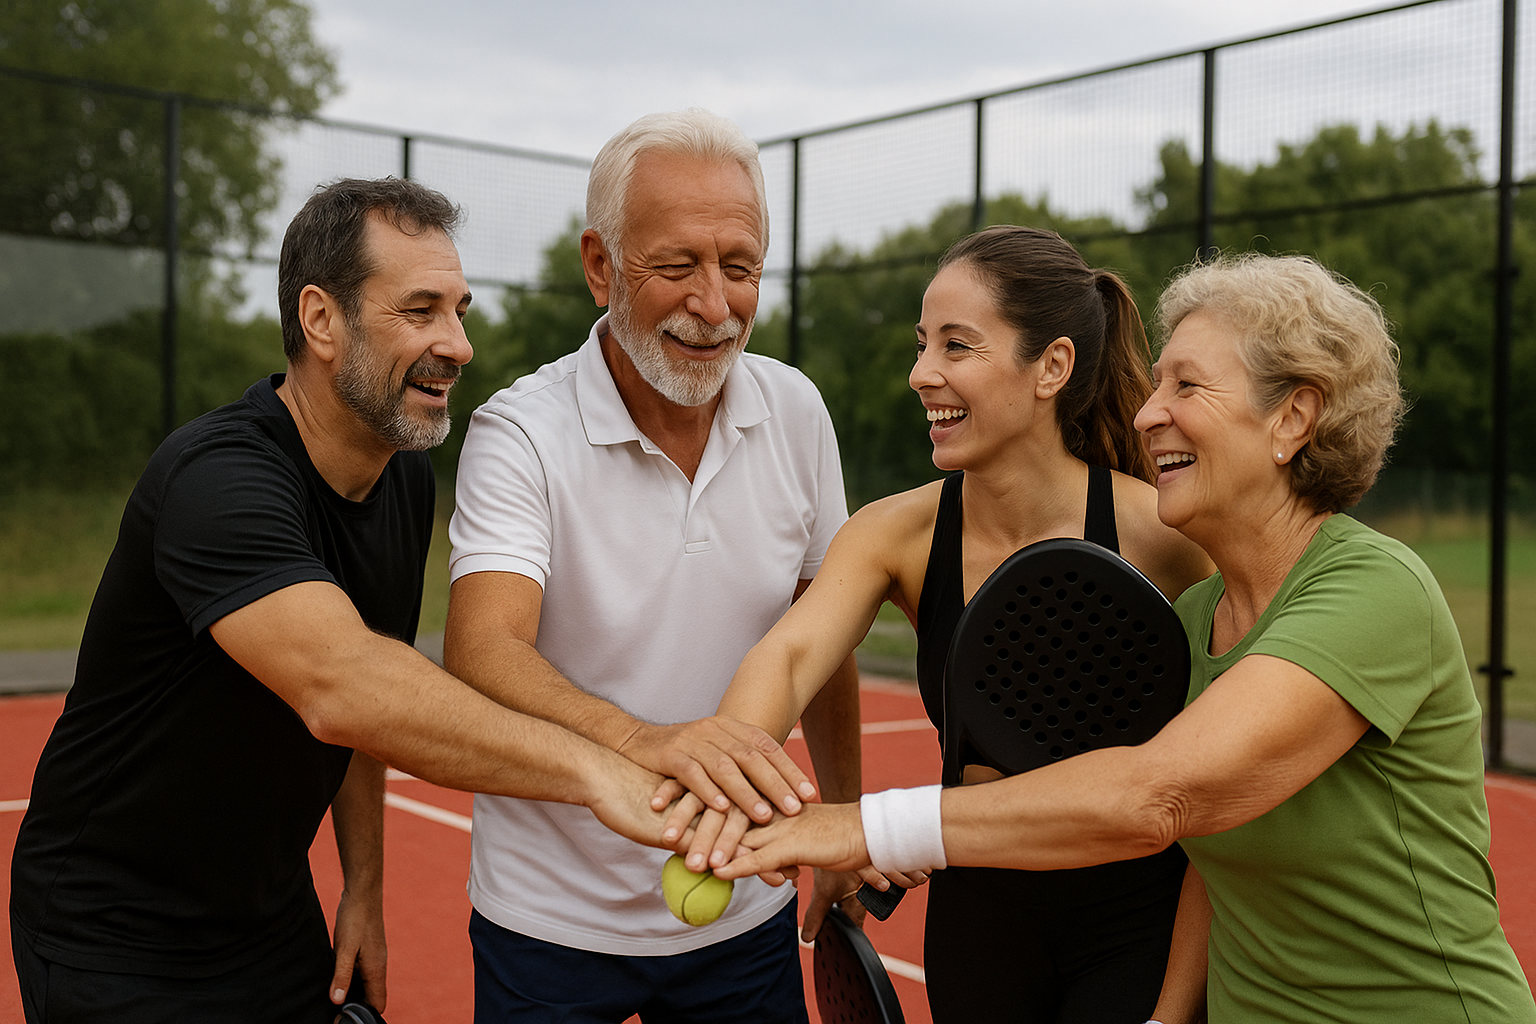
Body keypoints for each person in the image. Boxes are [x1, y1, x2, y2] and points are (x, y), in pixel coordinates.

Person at [716, 252, 1536, 1024]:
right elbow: (1218, 843)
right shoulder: (1200, 618)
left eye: (1187, 384)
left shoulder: (1373, 592)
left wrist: (863, 826)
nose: (1146, 411)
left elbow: (1159, 798)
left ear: (1292, 417)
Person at [9, 178, 674, 1024]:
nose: (459, 344)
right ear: (321, 320)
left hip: (269, 915)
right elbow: (345, 686)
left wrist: (364, 888)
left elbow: (376, 701)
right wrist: (597, 768)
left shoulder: (402, 477)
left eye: (460, 310)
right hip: (112, 931)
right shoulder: (217, 481)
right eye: (421, 310)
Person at [671, 225, 1213, 1023]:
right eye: (923, 344)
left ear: (1051, 368)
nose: (922, 373)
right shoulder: (898, 535)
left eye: (957, 346)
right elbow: (789, 656)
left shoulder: (1167, 536)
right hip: (978, 922)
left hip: (1137, 921)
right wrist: (731, 778)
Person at [442, 108, 860, 1023]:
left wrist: (842, 821)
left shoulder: (796, 410)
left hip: (744, 908)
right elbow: (482, 650)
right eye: (677, 267)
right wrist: (645, 741)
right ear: (601, 265)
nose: (715, 306)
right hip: (546, 923)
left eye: (740, 268)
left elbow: (821, 635)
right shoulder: (518, 433)